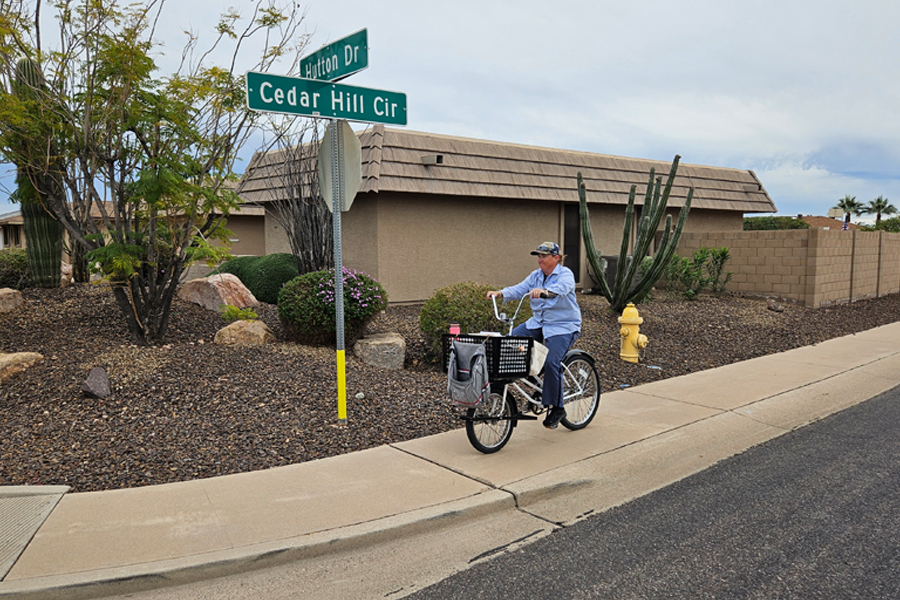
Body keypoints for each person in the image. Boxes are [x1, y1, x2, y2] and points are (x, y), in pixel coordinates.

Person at [486, 242, 581, 429]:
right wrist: (500, 293)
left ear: (556, 258)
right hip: (538, 323)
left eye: (544, 256)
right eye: (539, 256)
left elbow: (562, 289)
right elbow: (519, 289)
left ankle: (557, 407)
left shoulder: (565, 274)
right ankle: (537, 383)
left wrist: (546, 292)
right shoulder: (535, 276)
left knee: (551, 361)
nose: (540, 260)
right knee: (508, 343)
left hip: (563, 326)